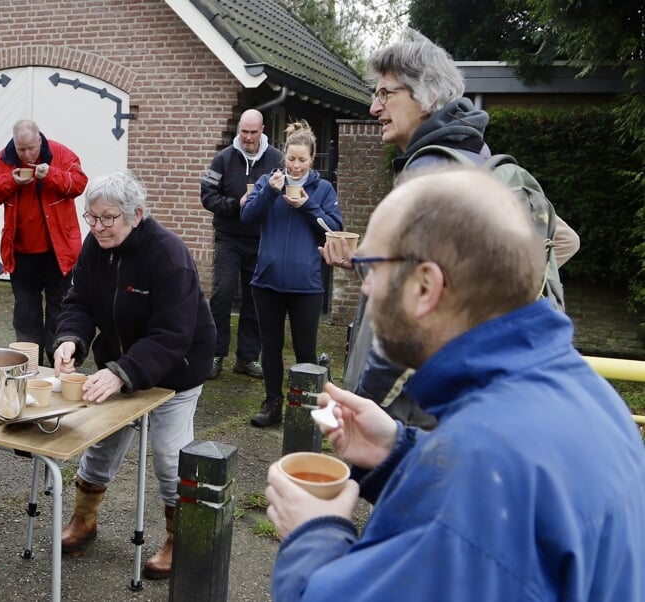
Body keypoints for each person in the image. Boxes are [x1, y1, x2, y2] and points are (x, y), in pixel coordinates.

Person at [266, 168, 645, 602]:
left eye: (370, 266)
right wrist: (400, 454)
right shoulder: (586, 396)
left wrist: (313, 535)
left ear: (425, 285)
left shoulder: (483, 464)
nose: (365, 285)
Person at [321, 29, 580, 429]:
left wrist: (362, 402)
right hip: (471, 395)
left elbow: (405, 314)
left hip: (415, 403)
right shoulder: (482, 160)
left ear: (426, 97)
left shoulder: (428, 174)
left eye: (386, 94)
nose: (374, 108)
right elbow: (563, 240)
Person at [51, 171, 216, 580]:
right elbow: (80, 302)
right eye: (91, 217)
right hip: (118, 363)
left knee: (169, 455)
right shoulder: (95, 246)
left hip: (175, 370)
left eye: (108, 219)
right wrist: (70, 338)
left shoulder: (169, 255)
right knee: (100, 441)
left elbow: (172, 334)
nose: (98, 227)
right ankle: (83, 521)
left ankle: (183, 539)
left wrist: (123, 373)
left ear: (136, 215)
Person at [240, 121, 342, 428]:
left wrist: (308, 206)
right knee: (269, 347)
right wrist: (269, 193)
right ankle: (273, 403)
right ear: (284, 157)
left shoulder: (322, 189)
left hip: (306, 285)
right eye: (291, 159)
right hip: (267, 281)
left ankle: (307, 408)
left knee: (305, 350)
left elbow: (334, 230)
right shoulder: (268, 182)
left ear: (312, 159)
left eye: (302, 160)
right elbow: (247, 217)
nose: (295, 166)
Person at [0, 119, 87, 364]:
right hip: (21, 252)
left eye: (31, 149)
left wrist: (51, 175)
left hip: (57, 252)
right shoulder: (4, 159)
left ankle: (60, 361)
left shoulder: (61, 154)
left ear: (40, 140)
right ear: (14, 144)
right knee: (26, 313)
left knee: (60, 308)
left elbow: (79, 183)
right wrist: (12, 180)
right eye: (21, 149)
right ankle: (29, 363)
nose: (26, 154)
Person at [200, 109, 282, 380]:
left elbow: (282, 198)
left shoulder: (276, 159)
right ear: (239, 129)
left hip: (261, 238)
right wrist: (237, 205)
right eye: (244, 132)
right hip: (229, 237)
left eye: (253, 132)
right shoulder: (223, 159)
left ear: (262, 130)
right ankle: (214, 354)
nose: (247, 137)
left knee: (255, 299)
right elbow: (207, 196)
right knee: (222, 295)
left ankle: (247, 358)